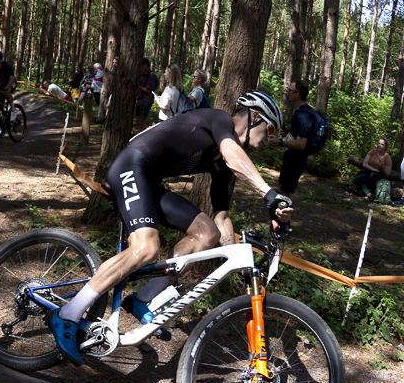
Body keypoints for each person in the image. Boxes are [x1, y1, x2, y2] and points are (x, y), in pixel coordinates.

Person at [48, 90, 292, 365]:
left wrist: (237, 256)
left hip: (149, 182)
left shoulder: (221, 162)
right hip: (131, 165)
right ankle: (68, 314)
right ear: (255, 115)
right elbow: (232, 152)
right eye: (270, 129)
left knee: (207, 232)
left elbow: (222, 220)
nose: (268, 139)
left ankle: (143, 299)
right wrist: (269, 193)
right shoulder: (220, 121)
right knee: (146, 248)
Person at [277, 80, 316, 195]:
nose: (288, 92)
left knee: (285, 194)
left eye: (290, 91)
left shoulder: (304, 115)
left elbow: (301, 144)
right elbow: (300, 137)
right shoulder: (301, 112)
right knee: (282, 189)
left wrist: (279, 143)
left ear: (297, 94)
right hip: (291, 158)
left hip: (296, 161)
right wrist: (288, 134)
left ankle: (284, 212)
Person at [135, 58, 158, 131]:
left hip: (146, 101)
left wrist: (138, 86)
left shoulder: (151, 75)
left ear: (146, 65)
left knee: (142, 121)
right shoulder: (141, 75)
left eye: (141, 66)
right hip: (139, 101)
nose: (140, 68)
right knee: (138, 121)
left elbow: (148, 90)